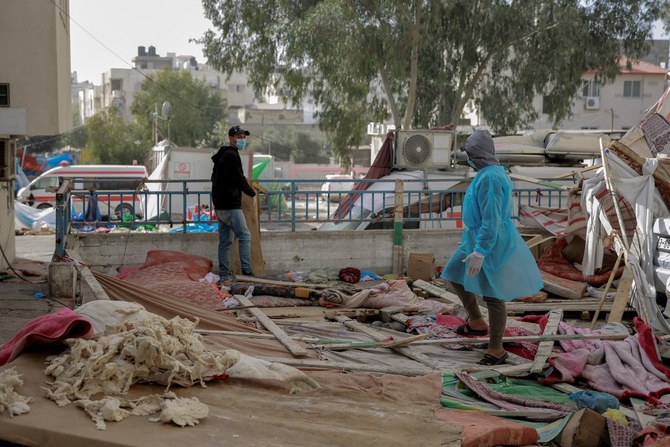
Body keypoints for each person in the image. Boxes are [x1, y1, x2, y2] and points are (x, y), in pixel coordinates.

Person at [441, 129, 543, 366]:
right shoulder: (487, 173)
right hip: (475, 238)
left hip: (491, 241)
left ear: (478, 155)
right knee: (454, 274)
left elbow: (492, 218)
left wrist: (481, 250)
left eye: (470, 153)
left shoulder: (491, 178)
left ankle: (496, 348)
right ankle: (476, 321)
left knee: (493, 295)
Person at [211, 125, 257, 283]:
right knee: (244, 236)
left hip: (220, 205)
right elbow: (240, 178)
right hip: (230, 205)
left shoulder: (222, 155)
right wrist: (252, 193)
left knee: (224, 241)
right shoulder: (231, 155)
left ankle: (224, 274)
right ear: (231, 138)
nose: (242, 140)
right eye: (239, 137)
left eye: (244, 137)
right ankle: (247, 271)